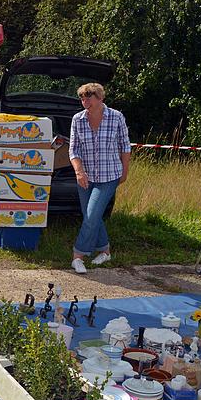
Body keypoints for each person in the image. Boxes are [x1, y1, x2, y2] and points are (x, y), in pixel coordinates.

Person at [68, 83, 131, 274]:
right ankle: (105, 250)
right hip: (85, 177)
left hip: (109, 175)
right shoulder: (77, 119)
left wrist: (124, 172)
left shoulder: (116, 117)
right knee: (92, 215)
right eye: (82, 97)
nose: (84, 101)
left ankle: (78, 256)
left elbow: (125, 146)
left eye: (89, 97)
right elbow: (73, 149)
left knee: (91, 214)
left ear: (100, 98)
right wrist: (79, 171)